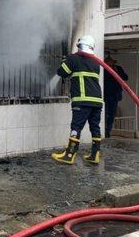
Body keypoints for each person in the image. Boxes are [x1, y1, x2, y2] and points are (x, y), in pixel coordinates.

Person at [52, 35, 103, 166]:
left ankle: (69, 155)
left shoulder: (74, 58)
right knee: (95, 127)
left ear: (80, 46)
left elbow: (61, 72)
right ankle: (94, 155)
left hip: (82, 101)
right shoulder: (96, 62)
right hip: (97, 101)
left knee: (76, 127)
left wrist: (65, 61)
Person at [103, 55, 128, 138]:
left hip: (115, 94)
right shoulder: (103, 69)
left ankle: (107, 130)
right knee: (105, 113)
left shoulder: (118, 68)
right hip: (106, 95)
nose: (110, 63)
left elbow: (125, 77)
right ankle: (104, 130)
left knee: (111, 114)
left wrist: (117, 73)